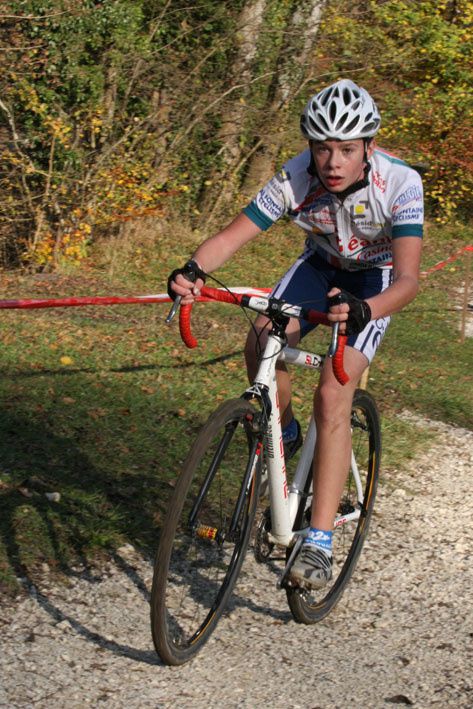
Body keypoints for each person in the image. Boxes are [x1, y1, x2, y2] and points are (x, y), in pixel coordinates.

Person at [167, 79, 423, 589]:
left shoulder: (401, 184)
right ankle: (282, 432)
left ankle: (320, 540)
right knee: (263, 336)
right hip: (321, 269)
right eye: (323, 147)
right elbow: (231, 236)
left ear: (368, 147)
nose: (333, 161)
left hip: (373, 285)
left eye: (347, 149)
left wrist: (364, 309)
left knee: (334, 391)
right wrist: (193, 269)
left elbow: (410, 280)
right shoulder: (295, 177)